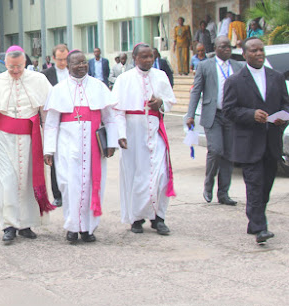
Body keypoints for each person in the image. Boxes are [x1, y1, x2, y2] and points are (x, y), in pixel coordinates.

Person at [0, 45, 55, 243]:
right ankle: (9, 225)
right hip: (3, 138)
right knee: (7, 182)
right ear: (5, 64)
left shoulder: (38, 80)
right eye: (11, 67)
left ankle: (27, 224)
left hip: (31, 138)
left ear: (25, 64)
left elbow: (47, 115)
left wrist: (49, 146)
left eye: (19, 67)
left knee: (29, 181)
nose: (15, 71)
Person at [43, 50, 117, 242]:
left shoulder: (99, 86)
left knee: (92, 185)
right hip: (67, 146)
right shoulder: (58, 90)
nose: (81, 65)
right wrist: (49, 149)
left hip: (93, 146)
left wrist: (112, 142)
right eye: (76, 63)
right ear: (68, 66)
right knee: (69, 186)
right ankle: (72, 226)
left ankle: (88, 229)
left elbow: (109, 118)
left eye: (84, 62)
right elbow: (51, 123)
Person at [223, 37, 289, 244]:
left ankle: (254, 222)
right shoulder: (235, 81)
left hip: (271, 142)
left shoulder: (277, 78)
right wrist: (251, 115)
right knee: (254, 185)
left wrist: (282, 117)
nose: (259, 54)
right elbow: (229, 110)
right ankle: (261, 228)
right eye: (253, 51)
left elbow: (287, 106)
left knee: (265, 186)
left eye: (261, 50)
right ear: (244, 54)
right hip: (249, 143)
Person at [111, 43, 176, 235]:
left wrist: (161, 103)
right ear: (135, 58)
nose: (148, 60)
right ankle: (136, 218)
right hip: (133, 133)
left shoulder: (161, 76)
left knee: (161, 174)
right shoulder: (124, 79)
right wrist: (120, 135)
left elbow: (170, 100)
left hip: (155, 132)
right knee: (135, 176)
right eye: (144, 57)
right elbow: (117, 111)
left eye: (151, 57)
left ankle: (159, 218)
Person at [186, 36, 242, 206]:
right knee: (216, 150)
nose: (227, 49)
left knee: (228, 154)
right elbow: (196, 91)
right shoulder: (205, 66)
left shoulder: (238, 67)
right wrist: (190, 114)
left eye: (228, 47)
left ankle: (223, 193)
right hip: (213, 114)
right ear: (216, 48)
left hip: (231, 116)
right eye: (223, 46)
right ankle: (208, 183)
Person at [41, 44, 70, 207]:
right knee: (54, 157)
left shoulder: (73, 72)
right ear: (53, 59)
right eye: (59, 59)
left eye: (65, 59)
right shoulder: (45, 75)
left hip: (71, 120)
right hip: (53, 120)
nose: (63, 62)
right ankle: (57, 194)